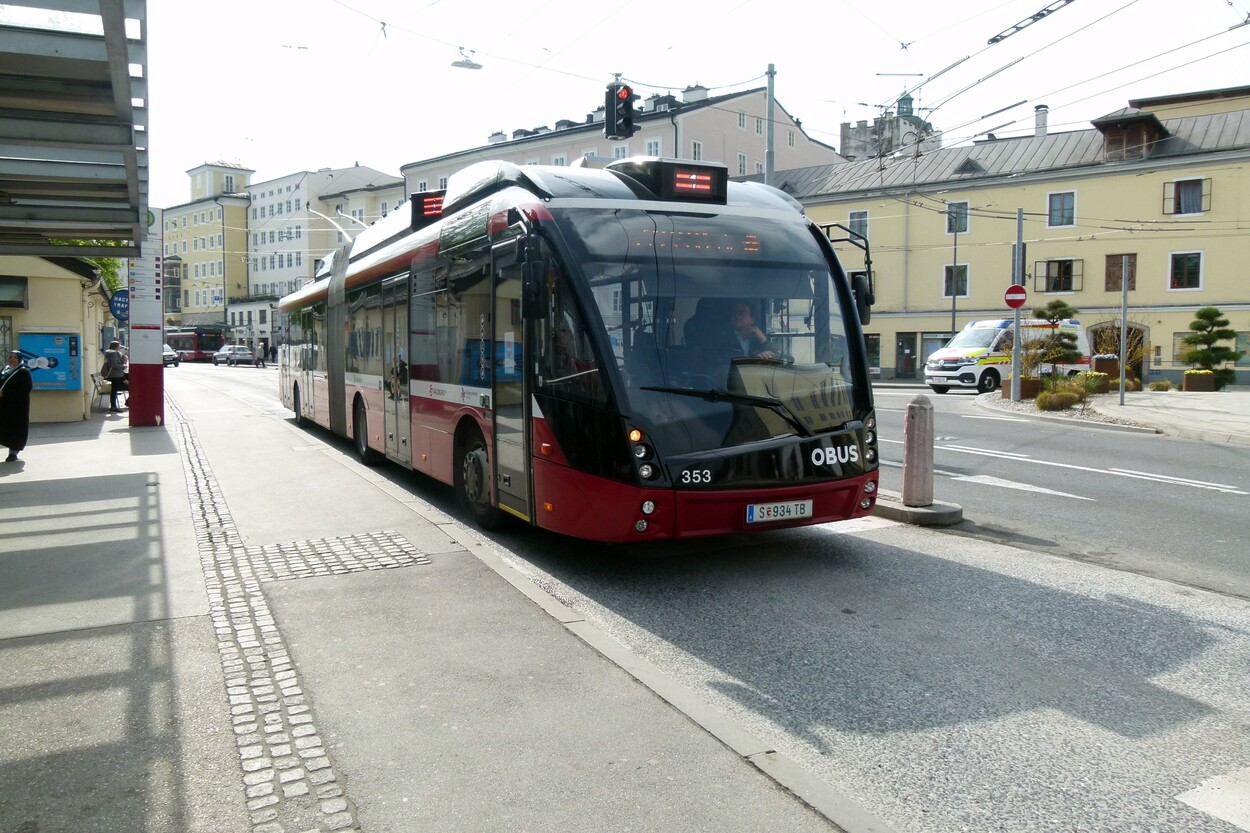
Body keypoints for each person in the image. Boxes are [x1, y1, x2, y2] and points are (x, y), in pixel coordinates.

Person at [0, 350, 33, 462]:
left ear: (19, 359)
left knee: (15, 430)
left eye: (15, 357)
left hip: (17, 408)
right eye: (10, 357)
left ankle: (13, 453)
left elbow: (25, 389)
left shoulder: (23, 372)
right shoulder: (4, 371)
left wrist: (6, 393)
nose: (12, 359)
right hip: (4, 407)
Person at [102, 340, 128, 411]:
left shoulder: (111, 353)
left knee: (115, 390)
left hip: (116, 375)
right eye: (119, 346)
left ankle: (114, 406)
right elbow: (114, 364)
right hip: (116, 375)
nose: (120, 347)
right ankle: (113, 406)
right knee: (115, 390)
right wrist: (123, 366)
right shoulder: (113, 354)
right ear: (116, 347)